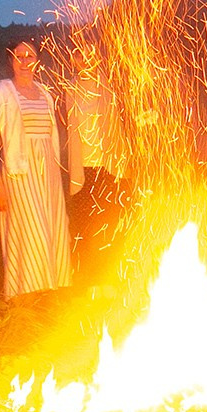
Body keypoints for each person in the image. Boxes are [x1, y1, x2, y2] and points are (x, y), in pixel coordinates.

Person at [0, 38, 75, 299]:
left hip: (48, 172)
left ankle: (49, 295)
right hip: (19, 172)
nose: (24, 61)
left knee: (52, 228)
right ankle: (23, 296)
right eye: (19, 55)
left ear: (37, 61)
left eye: (30, 56)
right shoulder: (1, 92)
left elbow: (52, 136)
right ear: (10, 60)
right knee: (30, 231)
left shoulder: (45, 93)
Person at [62, 39, 133, 271]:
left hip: (108, 167)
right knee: (84, 227)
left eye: (88, 54)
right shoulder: (69, 89)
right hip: (82, 168)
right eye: (79, 54)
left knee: (109, 223)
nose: (85, 59)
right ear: (74, 58)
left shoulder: (109, 85)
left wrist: (125, 166)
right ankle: (86, 282)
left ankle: (108, 280)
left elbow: (123, 127)